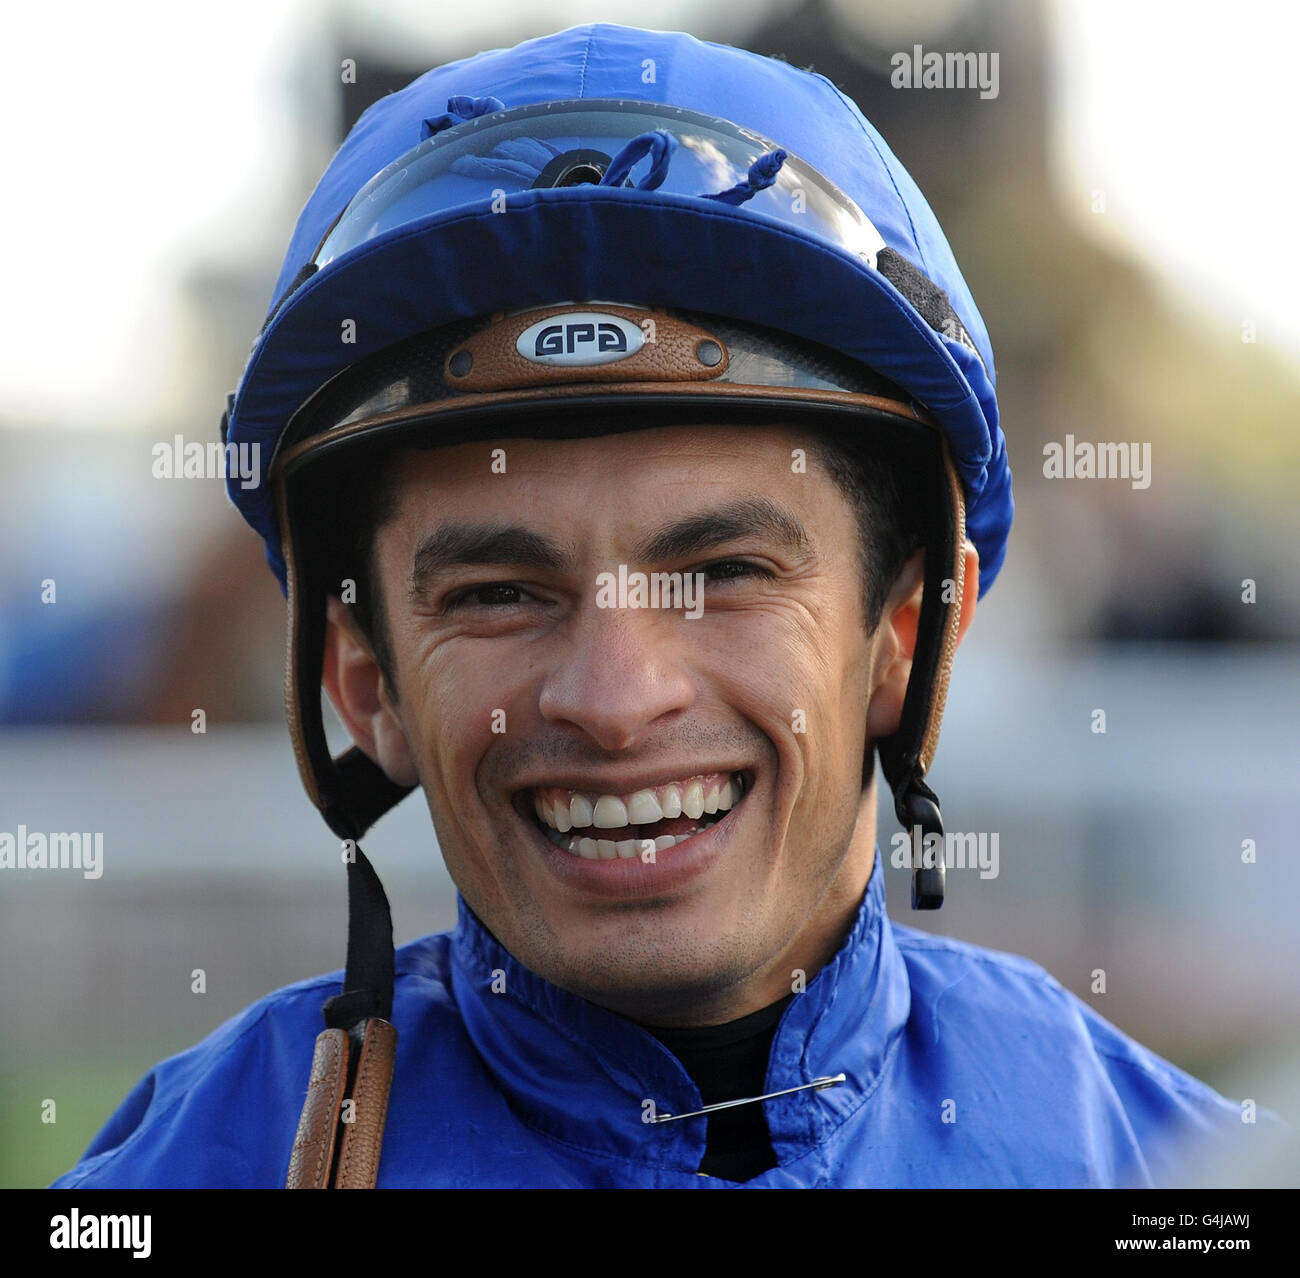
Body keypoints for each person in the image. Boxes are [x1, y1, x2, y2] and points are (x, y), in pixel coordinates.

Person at [53, 23, 1268, 1188]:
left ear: (899, 642)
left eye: (725, 575)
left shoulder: (1179, 1174)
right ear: (365, 686)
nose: (617, 699)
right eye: (498, 594)